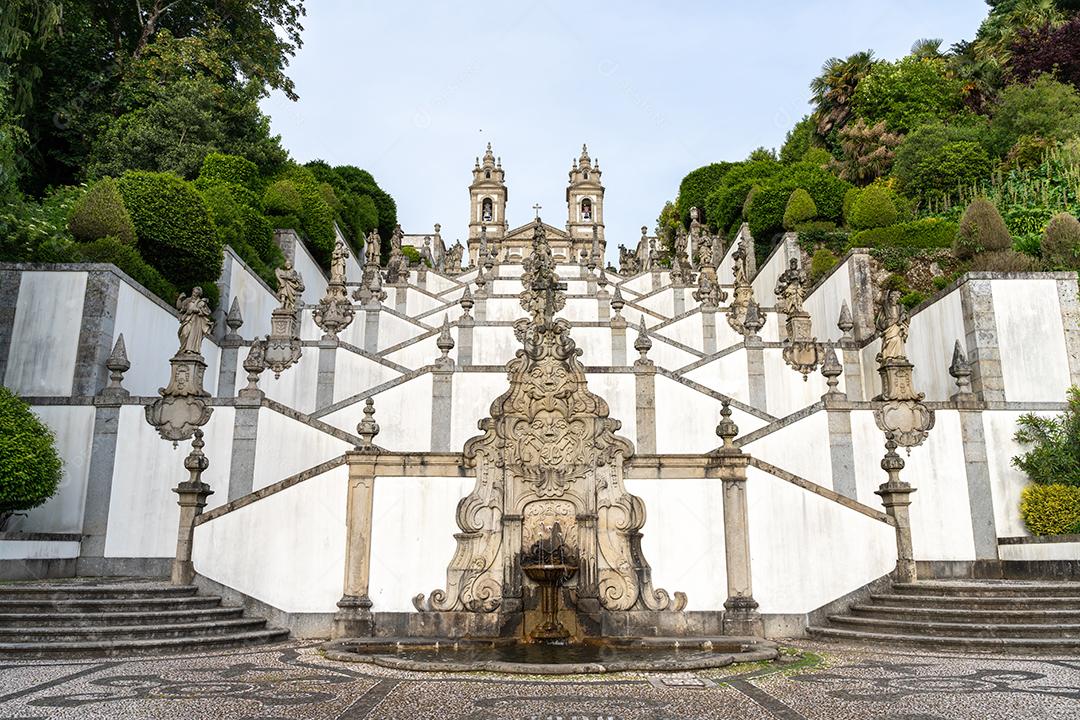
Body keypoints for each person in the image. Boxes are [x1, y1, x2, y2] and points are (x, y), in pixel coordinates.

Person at [176, 287, 213, 356]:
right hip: (187, 320)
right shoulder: (188, 300)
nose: (194, 294)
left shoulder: (201, 302)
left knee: (193, 336)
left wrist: (199, 310)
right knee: (184, 333)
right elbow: (179, 307)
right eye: (194, 292)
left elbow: (208, 312)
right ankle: (182, 349)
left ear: (199, 294)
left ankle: (190, 350)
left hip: (196, 322)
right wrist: (179, 299)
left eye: (196, 293)